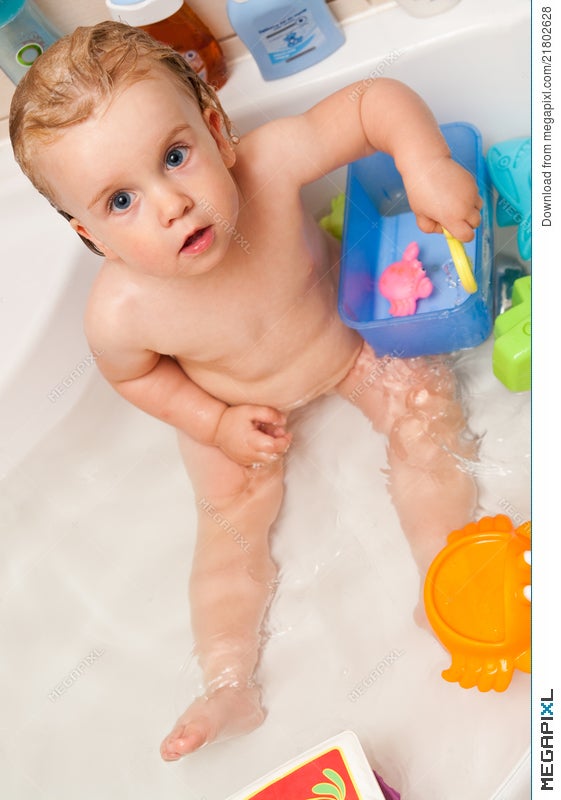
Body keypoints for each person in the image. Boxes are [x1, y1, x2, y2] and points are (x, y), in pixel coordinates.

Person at [10, 21, 481, 761]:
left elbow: (370, 103)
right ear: (88, 236)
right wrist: (212, 420)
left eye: (173, 156)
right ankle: (228, 680)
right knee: (227, 531)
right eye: (120, 202)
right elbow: (135, 375)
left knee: (421, 407)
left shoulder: (268, 166)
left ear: (218, 131)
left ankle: (444, 575)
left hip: (345, 350)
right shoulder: (120, 312)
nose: (170, 204)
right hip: (234, 408)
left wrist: (424, 164)